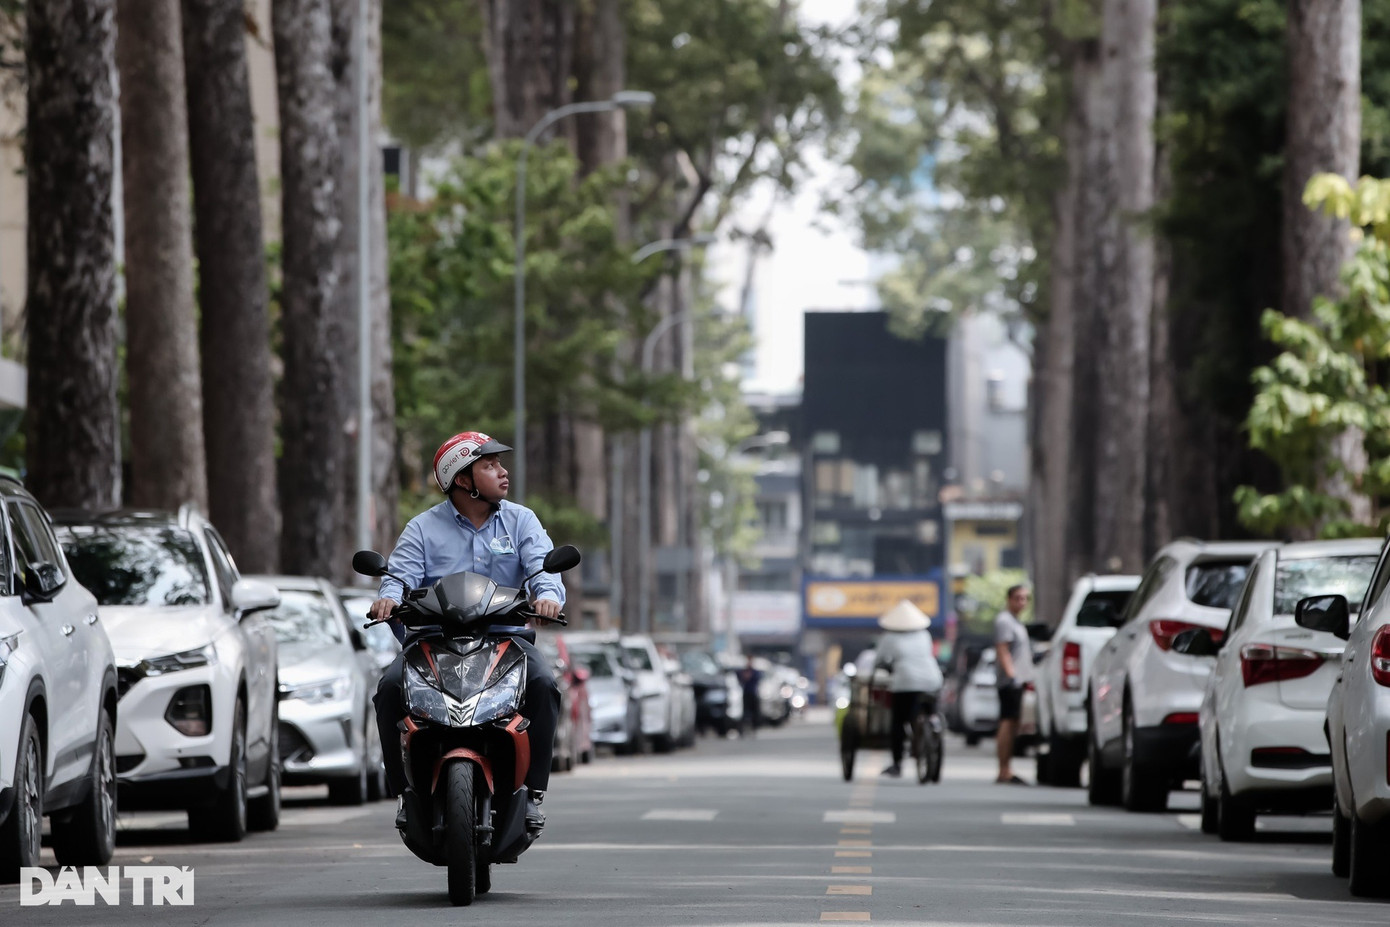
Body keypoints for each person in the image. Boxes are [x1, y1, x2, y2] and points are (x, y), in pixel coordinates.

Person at [369, 431, 564, 833]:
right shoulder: (422, 528)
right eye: (489, 466)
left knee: (544, 685)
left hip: (505, 640)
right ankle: (405, 792)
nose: (502, 472)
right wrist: (388, 598)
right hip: (433, 642)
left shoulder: (520, 520)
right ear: (463, 480)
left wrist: (547, 597)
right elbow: (398, 576)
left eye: (499, 464)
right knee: (389, 689)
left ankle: (532, 792)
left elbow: (543, 568)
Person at [873, 600, 944, 777]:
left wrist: (884, 667)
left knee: (898, 723)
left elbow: (878, 661)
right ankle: (934, 724)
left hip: (905, 683)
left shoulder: (889, 637)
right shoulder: (924, 635)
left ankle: (897, 764)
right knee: (930, 709)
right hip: (932, 679)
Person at [994, 584, 1034, 784]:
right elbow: (1003, 650)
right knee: (1007, 722)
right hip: (1010, 682)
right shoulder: (1005, 621)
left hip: (1018, 681)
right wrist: (1012, 676)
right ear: (1009, 599)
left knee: (1013, 724)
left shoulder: (1016, 622)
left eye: (1025, 598)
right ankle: (1003, 770)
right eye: (1018, 598)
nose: (1022, 602)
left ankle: (1007, 768)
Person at [735, 655, 763, 736]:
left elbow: (757, 678)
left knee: (755, 713)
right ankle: (742, 729)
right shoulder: (742, 671)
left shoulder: (755, 672)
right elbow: (739, 676)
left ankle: (754, 728)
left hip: (753, 693)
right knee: (744, 712)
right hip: (746, 694)